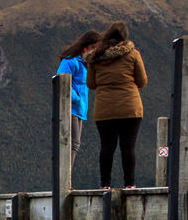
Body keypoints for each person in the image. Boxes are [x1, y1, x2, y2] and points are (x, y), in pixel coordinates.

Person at [87, 21, 148, 188]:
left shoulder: (95, 58)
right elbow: (142, 81)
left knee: (107, 147)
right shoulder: (134, 54)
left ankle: (105, 184)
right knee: (128, 147)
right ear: (124, 38)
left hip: (104, 109)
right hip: (130, 108)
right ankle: (130, 184)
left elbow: (91, 84)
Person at [55, 30, 100, 158]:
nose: (94, 51)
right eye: (93, 47)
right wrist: (77, 99)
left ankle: (66, 175)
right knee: (72, 144)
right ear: (85, 47)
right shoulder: (71, 61)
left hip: (79, 109)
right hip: (70, 108)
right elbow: (61, 80)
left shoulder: (85, 64)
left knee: (74, 145)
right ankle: (65, 176)